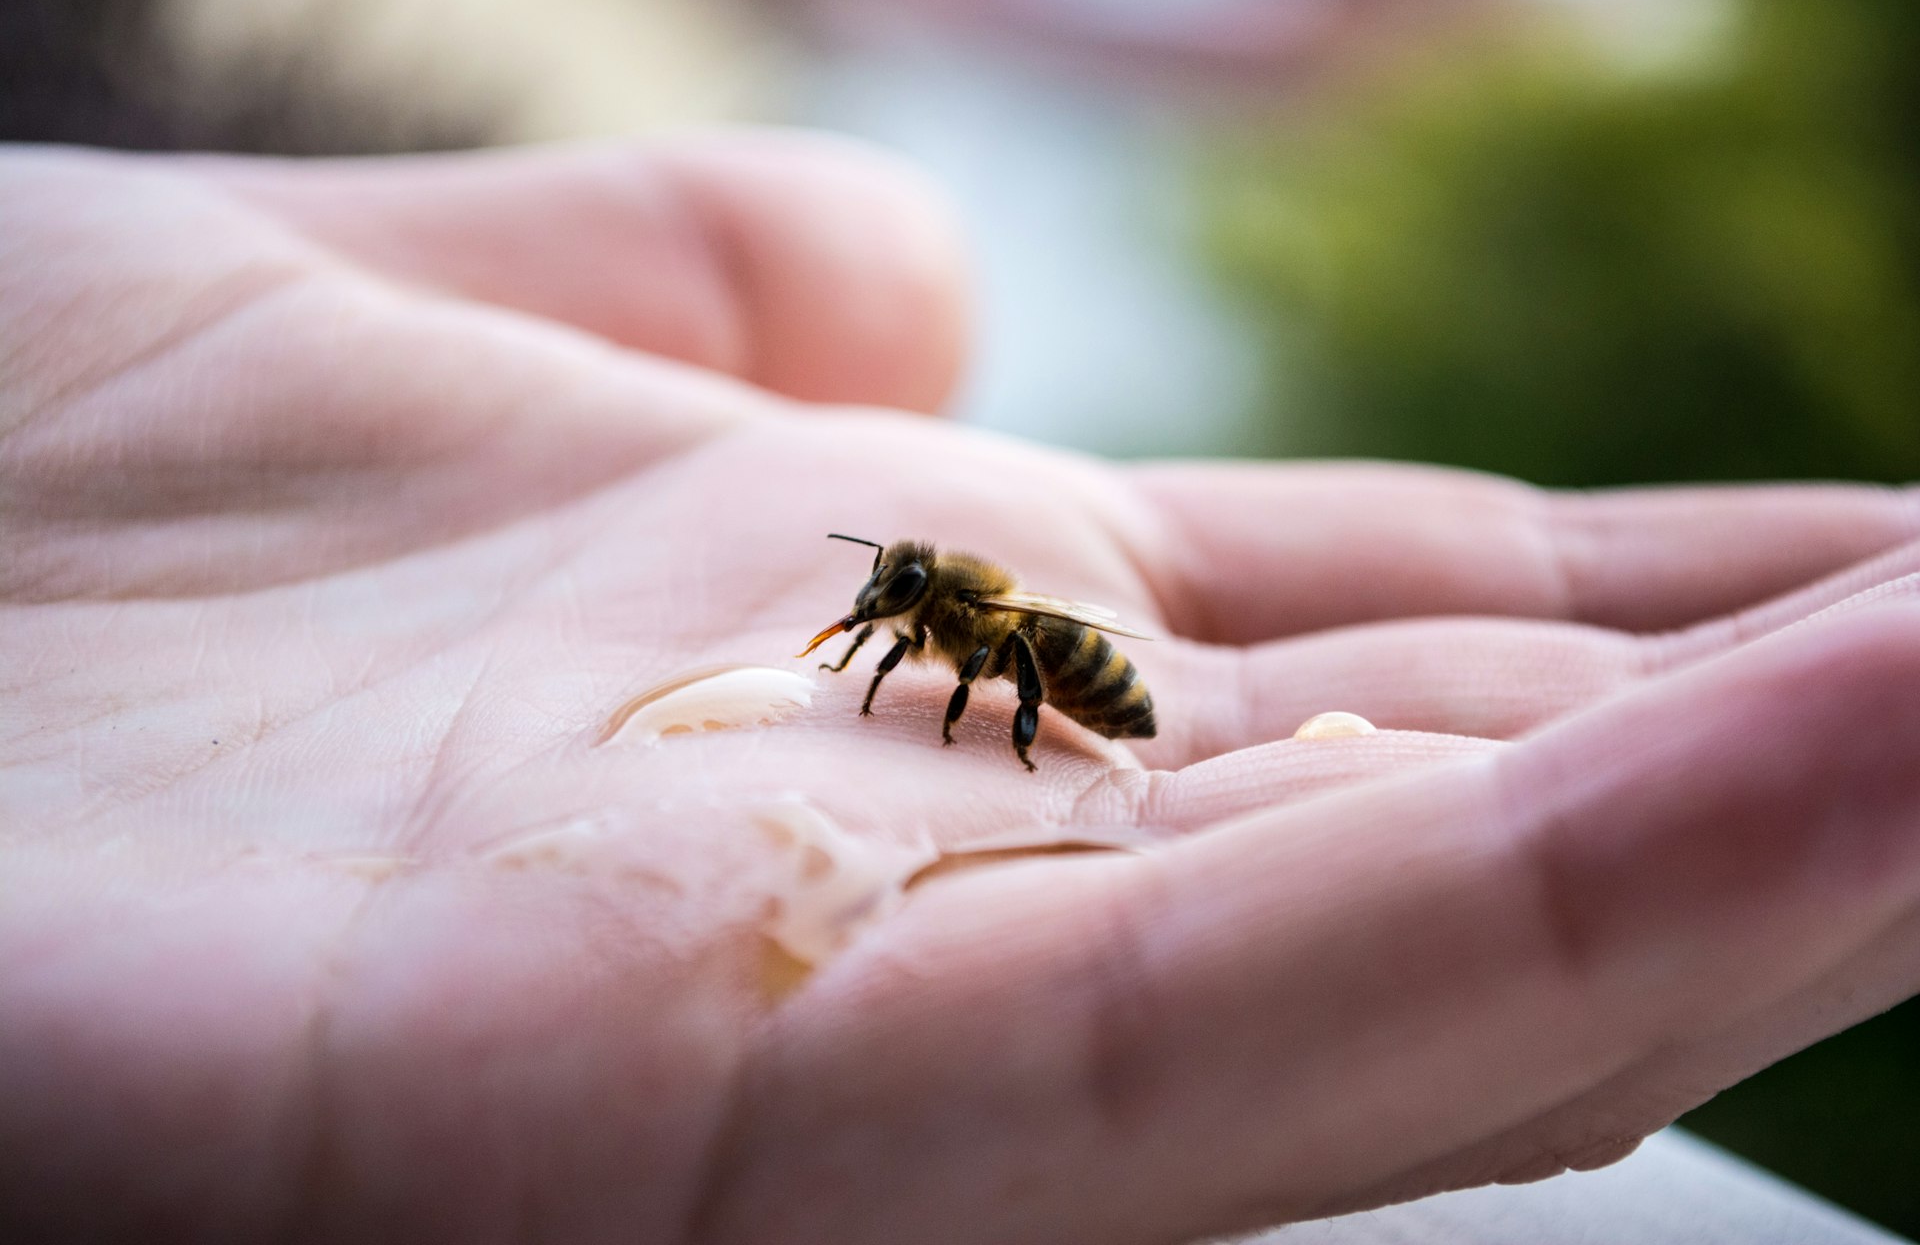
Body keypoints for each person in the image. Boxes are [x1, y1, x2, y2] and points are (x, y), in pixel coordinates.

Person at [2, 135, 1917, 1244]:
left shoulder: (977, 639)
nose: (877, 622)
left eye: (891, 608)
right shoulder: (928, 611)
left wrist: (990, 720)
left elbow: (969, 657)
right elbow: (898, 633)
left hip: (1085, 696)